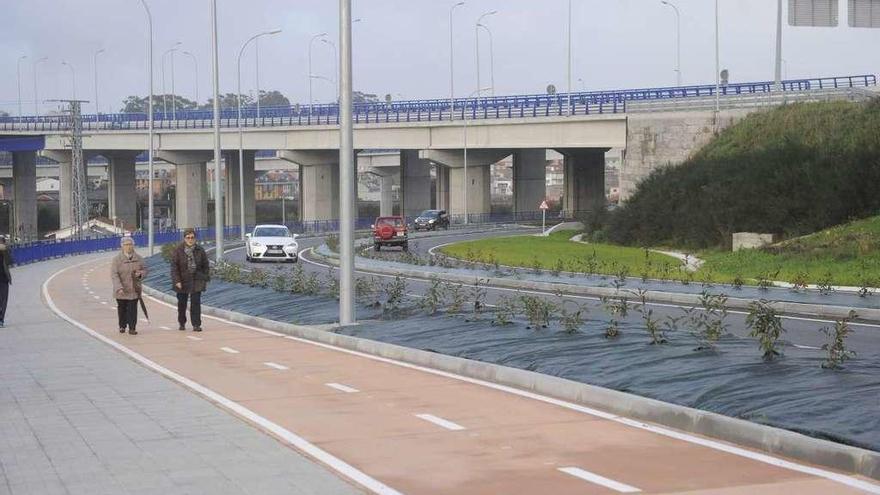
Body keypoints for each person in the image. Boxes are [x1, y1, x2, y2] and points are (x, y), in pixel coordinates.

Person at [171, 228, 210, 332]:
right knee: (182, 303)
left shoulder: (200, 250)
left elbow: (206, 265)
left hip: (196, 279)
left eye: (192, 237)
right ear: (184, 238)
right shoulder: (178, 250)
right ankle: (182, 322)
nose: (190, 239)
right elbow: (174, 267)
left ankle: (196, 324)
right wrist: (177, 281)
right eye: (188, 237)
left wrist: (204, 277)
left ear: (195, 238)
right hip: (182, 280)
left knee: (196, 302)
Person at [111, 236, 147, 335]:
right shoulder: (116, 260)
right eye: (126, 245)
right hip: (121, 290)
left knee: (132, 309)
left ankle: (132, 328)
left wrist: (140, 274)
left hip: (134, 289)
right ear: (122, 246)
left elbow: (145, 270)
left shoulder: (138, 258)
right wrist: (119, 287)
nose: (129, 247)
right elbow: (114, 275)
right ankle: (122, 325)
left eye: (130, 244)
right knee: (122, 308)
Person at [0, 236, 12, 327]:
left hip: (4, 279)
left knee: (3, 300)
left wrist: (5, 250)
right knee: (3, 300)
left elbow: (11, 261)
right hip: (4, 279)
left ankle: (1, 320)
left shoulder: (6, 251)